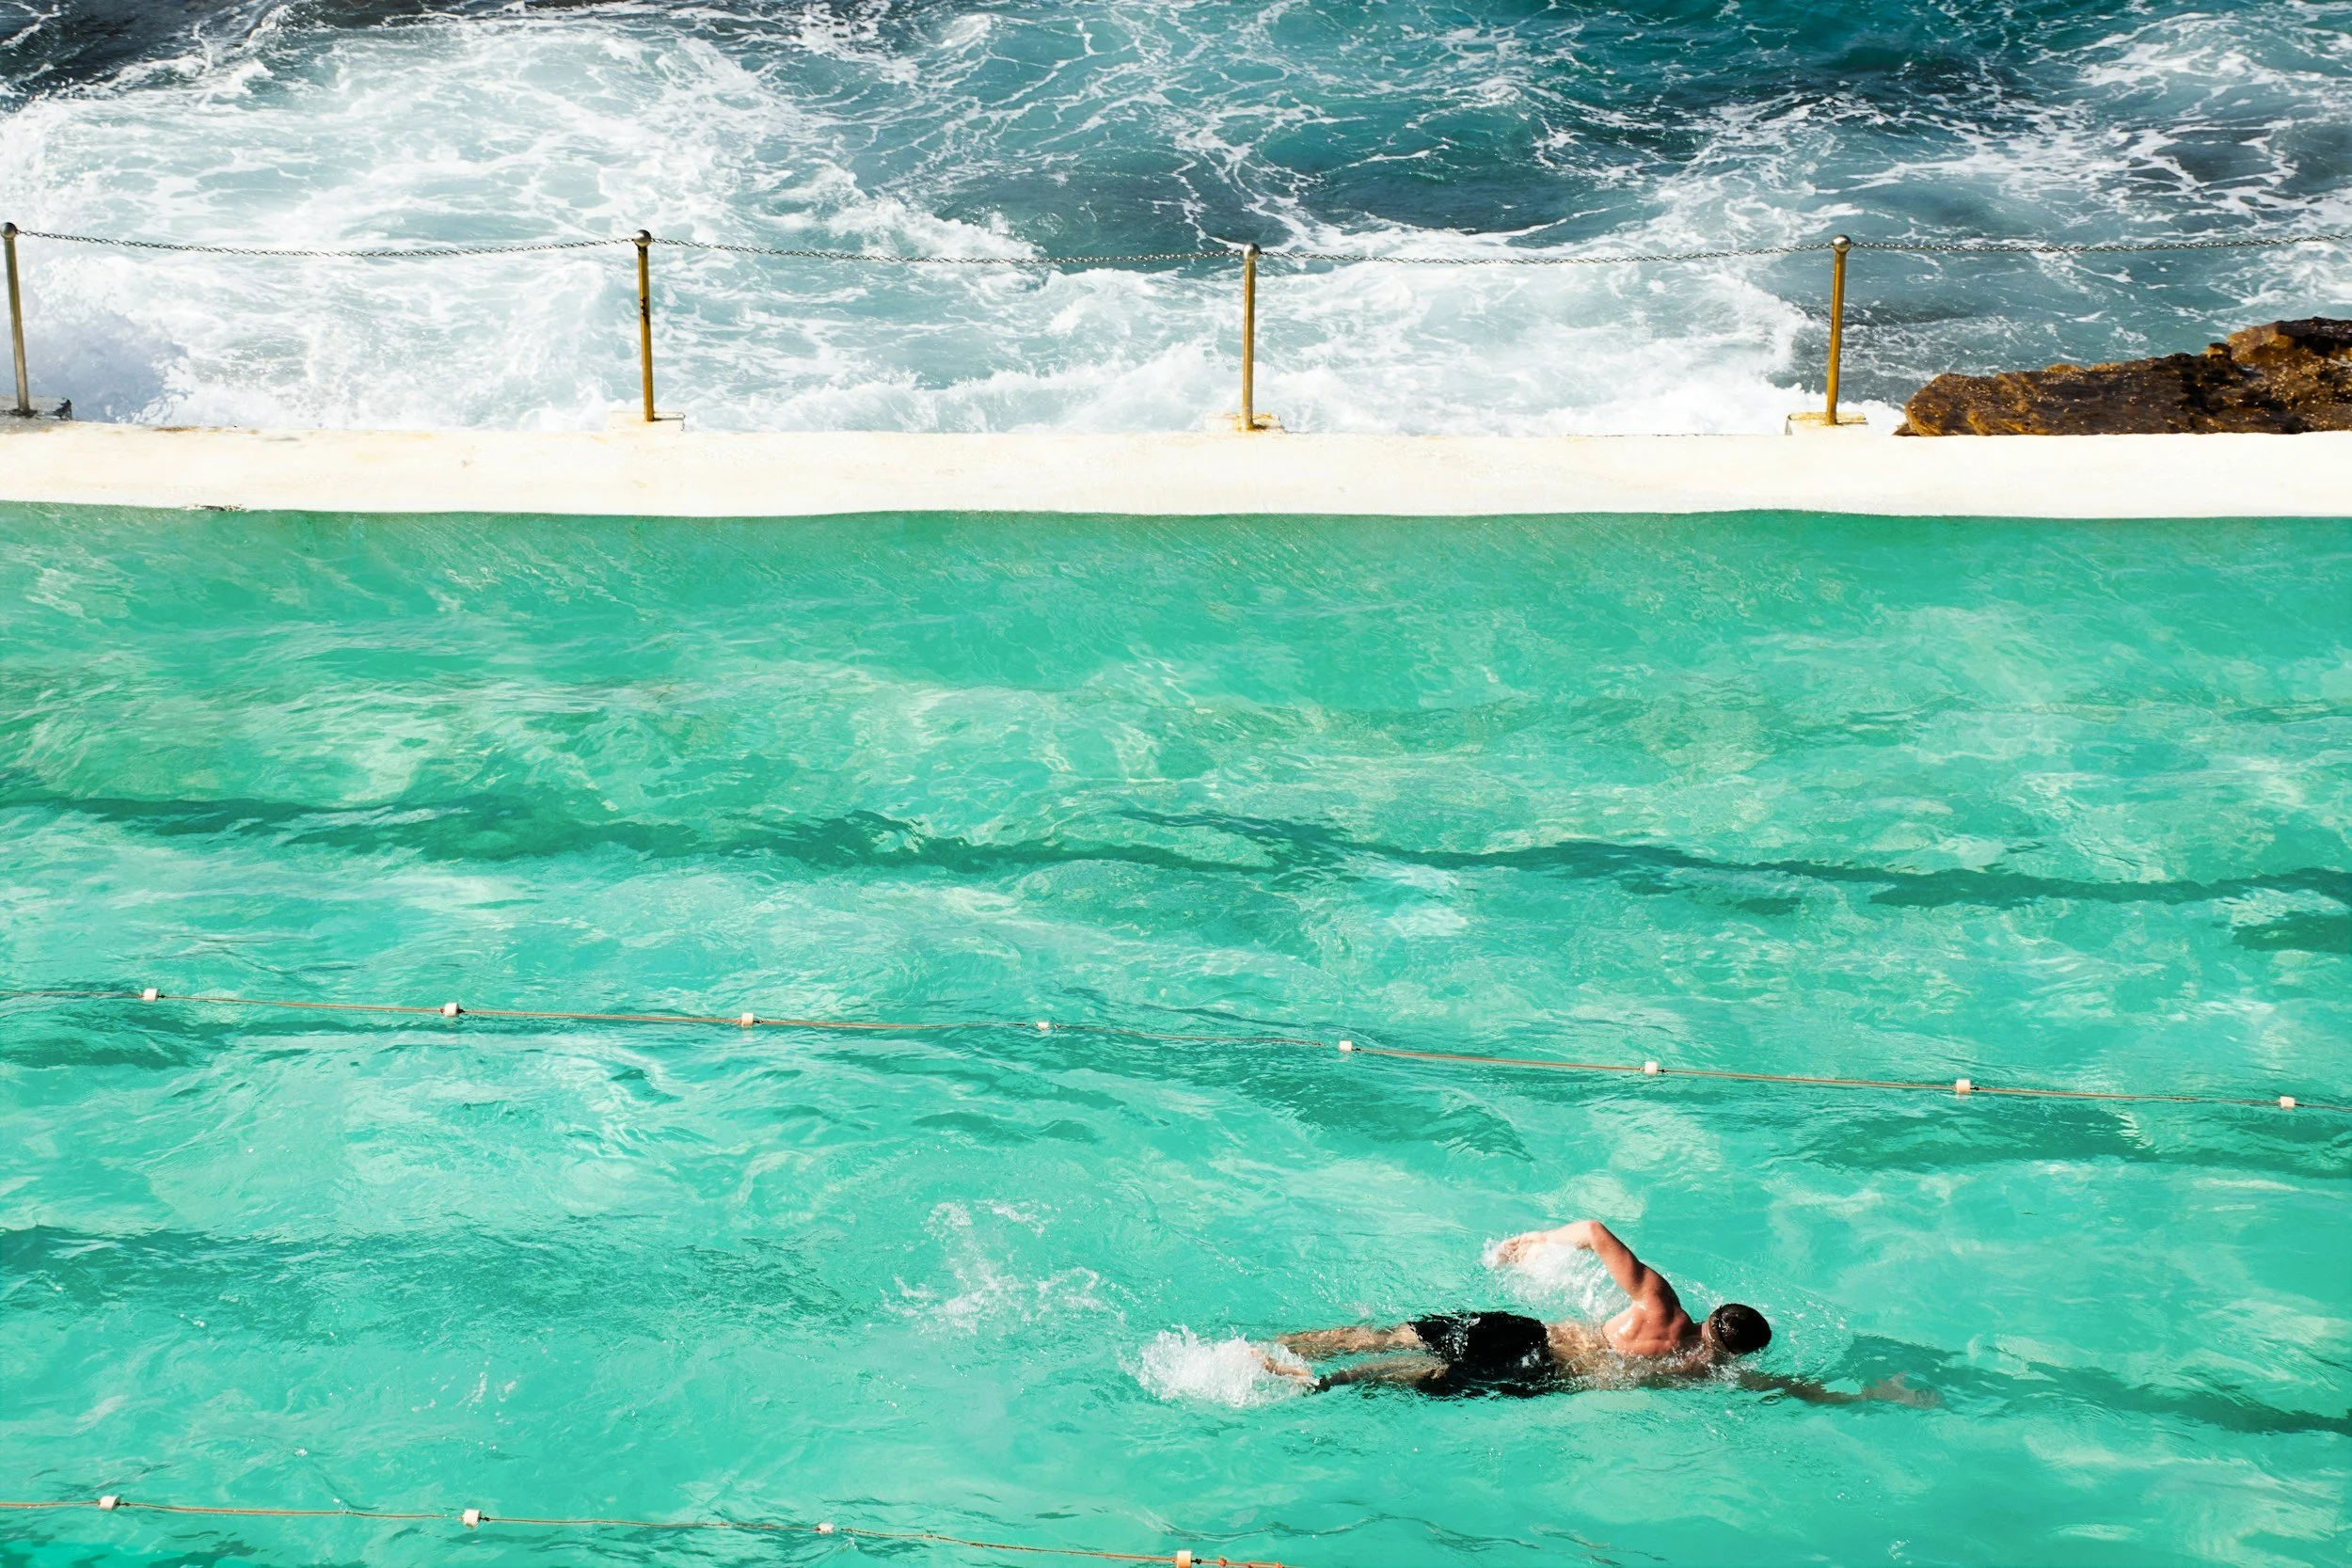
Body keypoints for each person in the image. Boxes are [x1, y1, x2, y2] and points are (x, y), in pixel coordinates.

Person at [1267, 1218, 1928, 1404]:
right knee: (1417, 1370)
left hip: (1534, 1335)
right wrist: (1871, 1393)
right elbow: (1792, 1389)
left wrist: (1532, 1242)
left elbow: (1593, 1228)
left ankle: (1287, 1345)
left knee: (1392, 1332)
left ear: (1713, 1314)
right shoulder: (1702, 1373)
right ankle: (1314, 1382)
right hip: (1544, 1374)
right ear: (1734, 1347)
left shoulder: (1659, 1302)